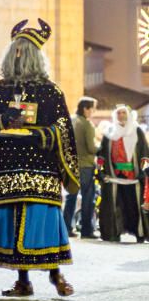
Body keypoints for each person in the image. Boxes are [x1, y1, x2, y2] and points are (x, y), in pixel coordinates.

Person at [0, 19, 80, 297]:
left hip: (41, 166)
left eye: (24, 50)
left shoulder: (51, 91)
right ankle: (23, 281)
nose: (19, 55)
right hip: (9, 166)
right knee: (13, 224)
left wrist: (38, 134)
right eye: (16, 50)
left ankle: (57, 276)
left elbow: (63, 129)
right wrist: (3, 122)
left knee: (43, 222)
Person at [97, 105, 149, 243]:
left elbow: (144, 154)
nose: (121, 115)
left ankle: (139, 234)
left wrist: (143, 172)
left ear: (129, 114)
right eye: (118, 113)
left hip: (134, 177)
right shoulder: (109, 132)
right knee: (116, 206)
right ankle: (114, 233)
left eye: (123, 113)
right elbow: (101, 156)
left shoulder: (137, 131)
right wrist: (101, 172)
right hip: (115, 177)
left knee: (134, 206)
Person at [63, 97, 99, 238]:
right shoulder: (86, 124)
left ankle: (66, 228)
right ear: (86, 109)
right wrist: (102, 148)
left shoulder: (71, 121)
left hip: (71, 165)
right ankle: (86, 230)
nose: (93, 111)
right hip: (85, 165)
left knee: (71, 197)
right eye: (92, 108)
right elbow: (91, 147)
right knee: (87, 197)